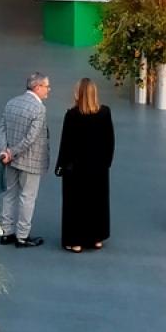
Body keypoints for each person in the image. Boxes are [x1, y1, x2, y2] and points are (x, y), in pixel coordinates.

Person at [55, 77, 115, 253]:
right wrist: (106, 163)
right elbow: (109, 140)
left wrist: (61, 166)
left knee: (75, 205)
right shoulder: (105, 112)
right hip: (98, 168)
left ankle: (76, 241)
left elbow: (66, 144)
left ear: (78, 94)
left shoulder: (72, 115)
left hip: (76, 169)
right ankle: (96, 237)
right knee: (97, 202)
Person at [0, 71, 51, 248]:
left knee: (9, 195)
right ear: (37, 87)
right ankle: (22, 236)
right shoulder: (39, 109)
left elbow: (1, 129)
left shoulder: (11, 102)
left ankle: (6, 232)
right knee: (27, 197)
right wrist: (12, 152)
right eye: (46, 86)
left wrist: (6, 151)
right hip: (30, 162)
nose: (49, 90)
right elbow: (31, 138)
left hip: (10, 161)